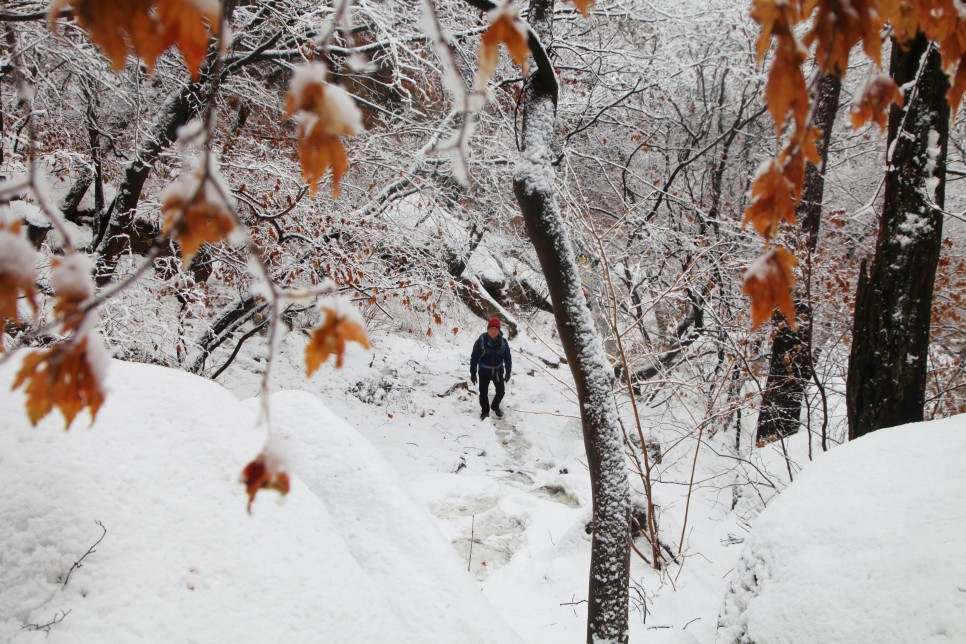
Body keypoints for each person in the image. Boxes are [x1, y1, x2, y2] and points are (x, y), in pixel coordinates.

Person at [469, 317, 512, 420]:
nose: (493, 331)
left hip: (497, 371)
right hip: (484, 371)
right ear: (487, 329)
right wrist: (473, 373)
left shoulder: (503, 342)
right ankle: (485, 411)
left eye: (495, 329)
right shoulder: (481, 341)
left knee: (501, 392)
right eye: (491, 328)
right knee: (483, 393)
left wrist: (508, 371)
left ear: (499, 330)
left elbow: (507, 357)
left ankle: (495, 406)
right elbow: (474, 357)